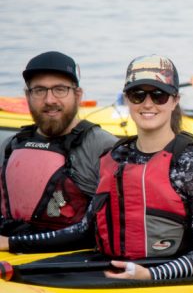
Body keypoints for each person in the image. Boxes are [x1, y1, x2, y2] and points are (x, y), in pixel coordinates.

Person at [0, 55, 193, 281]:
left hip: (163, 275)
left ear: (175, 100)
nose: (147, 104)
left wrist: (150, 275)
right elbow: (84, 229)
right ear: (127, 99)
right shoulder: (116, 156)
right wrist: (12, 243)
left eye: (159, 95)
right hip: (114, 268)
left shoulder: (191, 162)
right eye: (138, 95)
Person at [0, 51, 117, 236]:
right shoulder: (10, 147)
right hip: (12, 255)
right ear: (27, 96)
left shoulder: (103, 148)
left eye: (60, 89)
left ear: (78, 95)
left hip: (71, 259)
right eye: (39, 90)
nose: (49, 100)